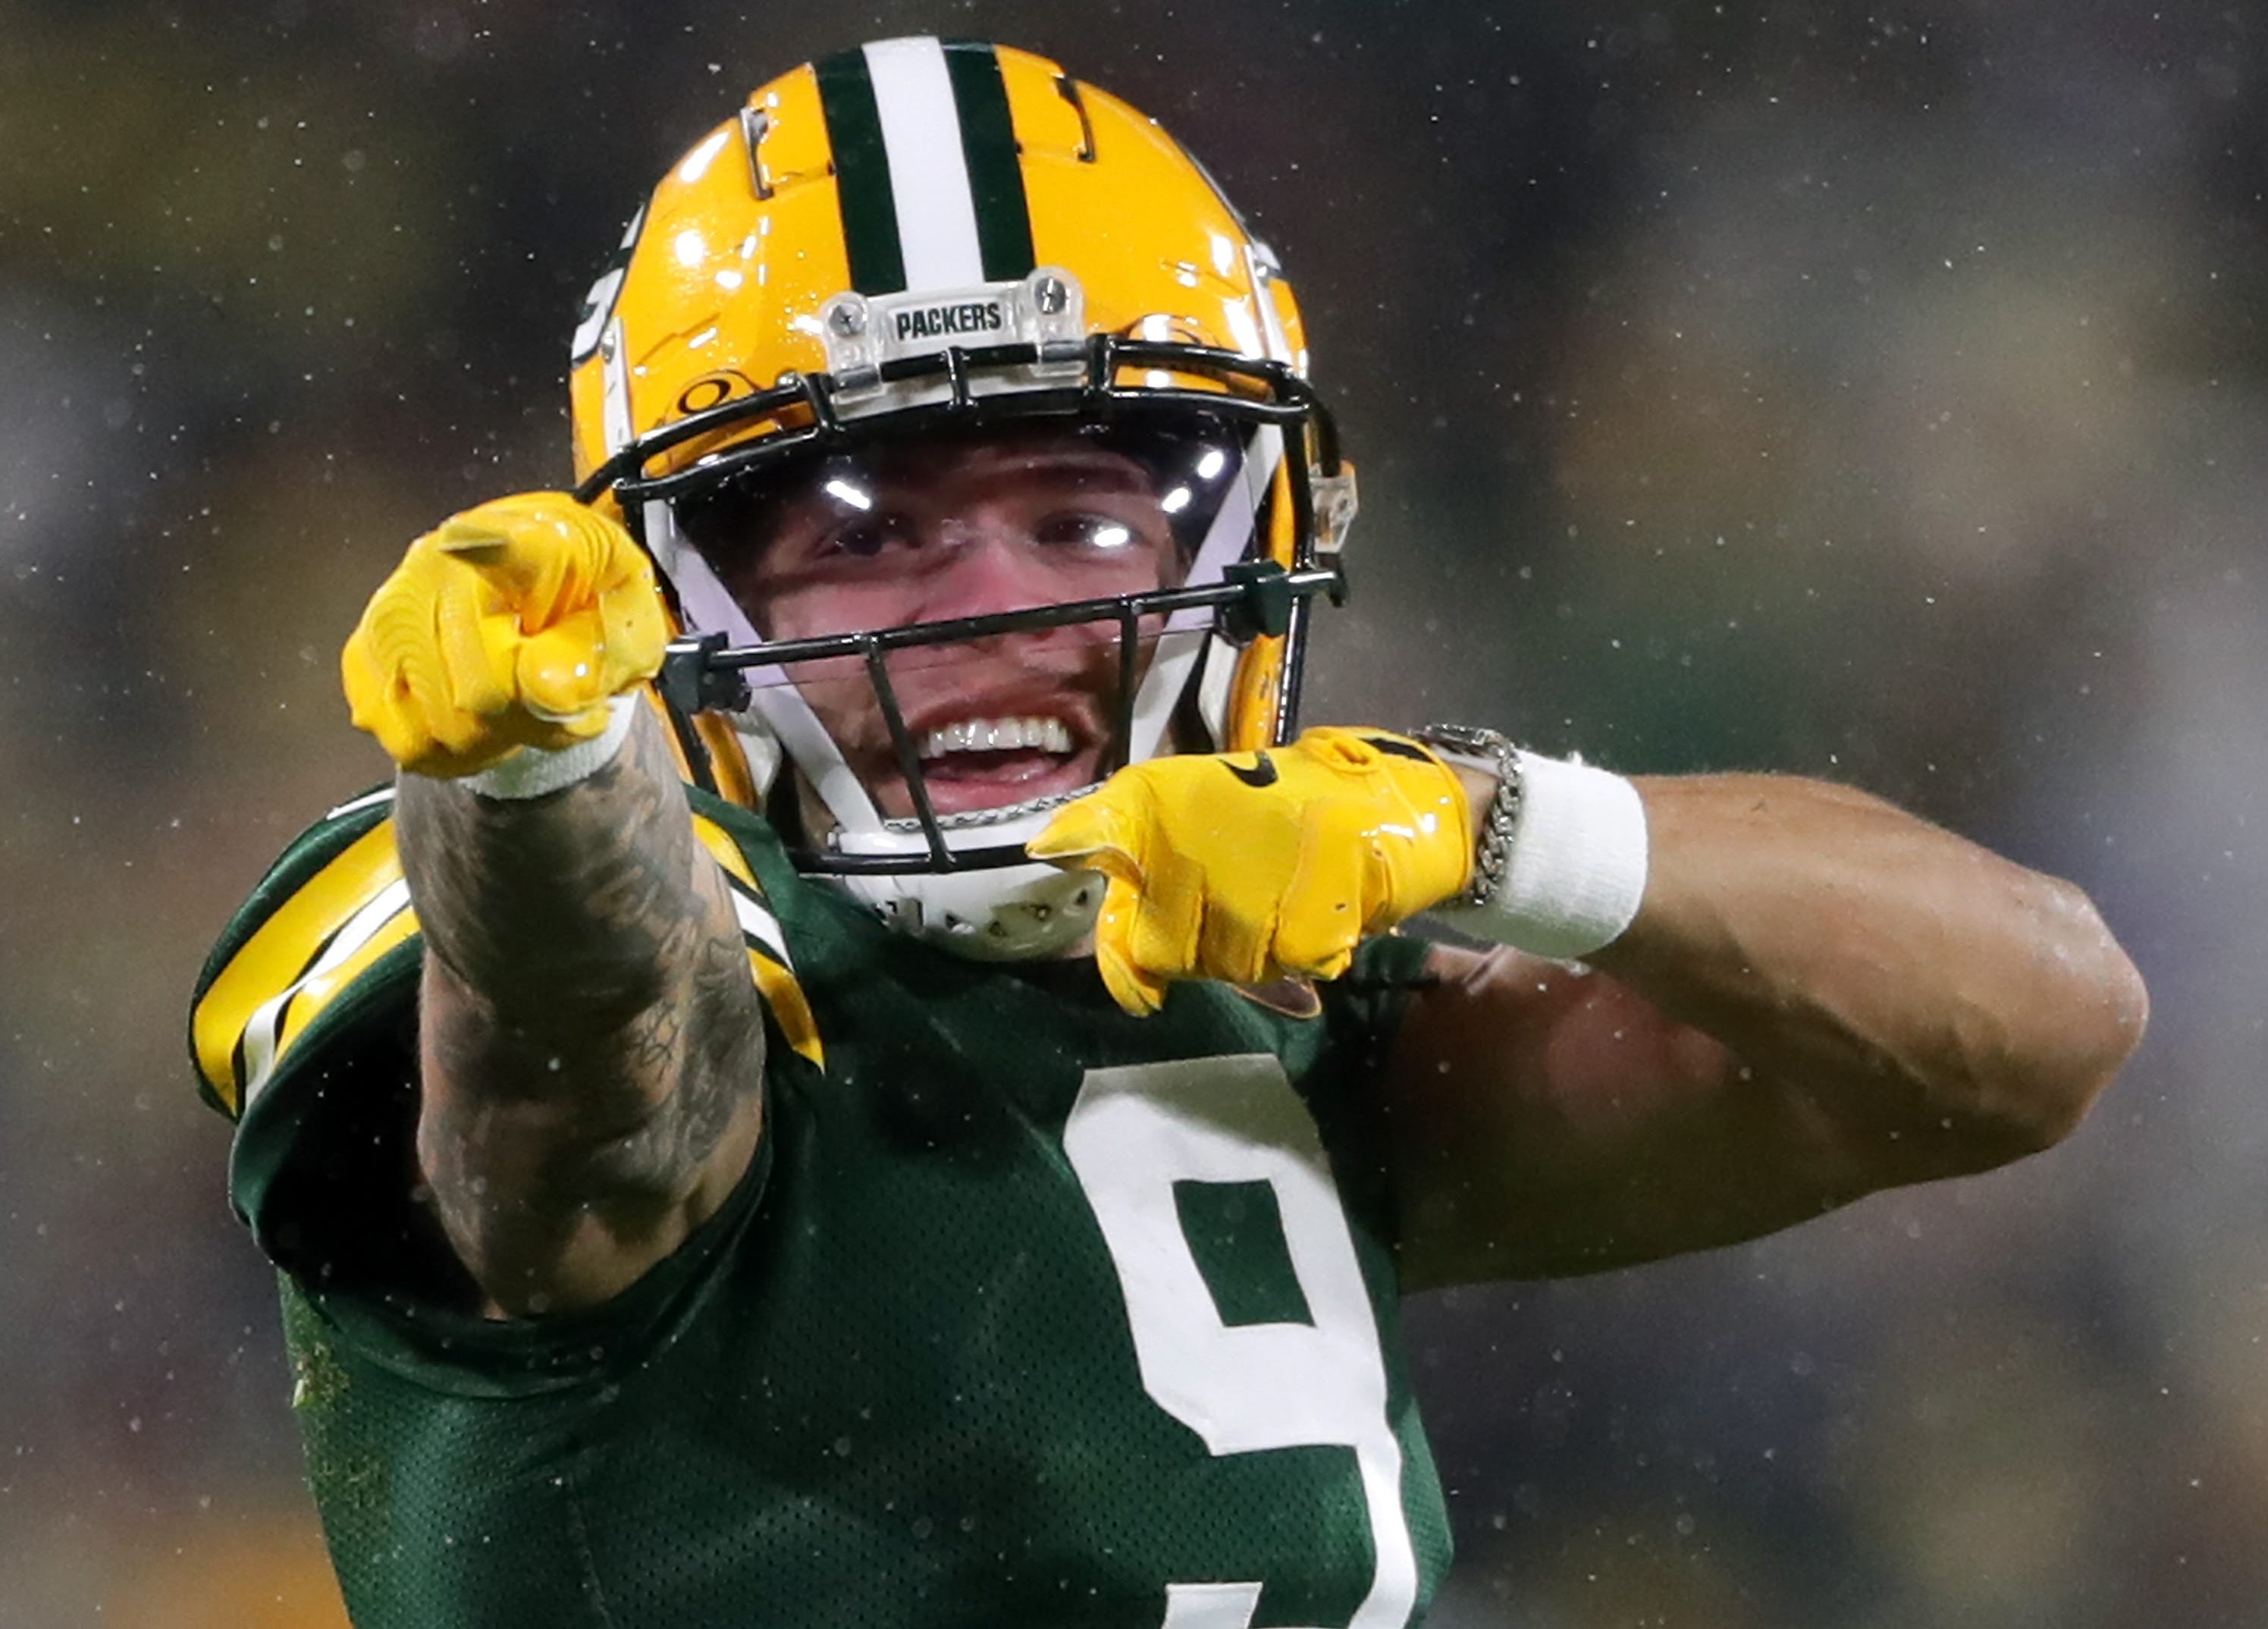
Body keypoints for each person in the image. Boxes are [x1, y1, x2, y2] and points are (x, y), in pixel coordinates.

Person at [189, 36, 2147, 1629]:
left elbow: (2029, 1029)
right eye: (863, 535)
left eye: (1080, 517)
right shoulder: (545, 904)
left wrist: (1491, 823)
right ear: (675, 597)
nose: (992, 610)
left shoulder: (1274, 971)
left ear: (1255, 538)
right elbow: (582, 1115)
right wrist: (527, 780)